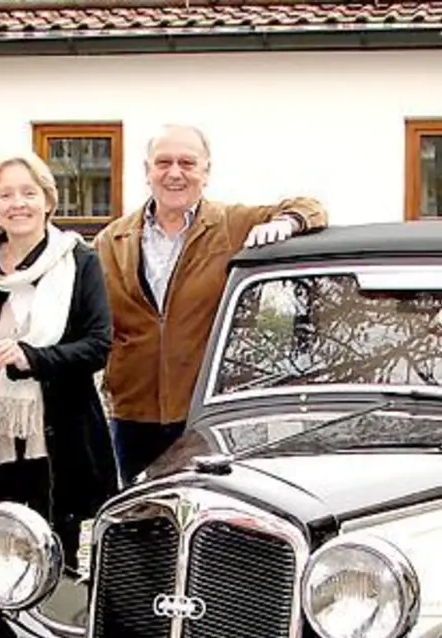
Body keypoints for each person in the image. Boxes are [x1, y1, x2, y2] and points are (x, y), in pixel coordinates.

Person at [95, 124, 327, 482]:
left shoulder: (231, 224)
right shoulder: (113, 239)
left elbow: (311, 207)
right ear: (147, 172)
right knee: (136, 517)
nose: (175, 173)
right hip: (133, 413)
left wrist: (287, 222)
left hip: (205, 410)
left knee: (208, 513)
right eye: (164, 163)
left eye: (187, 163)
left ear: (206, 171)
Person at [0, 153, 117, 568]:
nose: (17, 203)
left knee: (57, 554)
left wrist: (34, 357)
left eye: (28, 192)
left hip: (58, 436)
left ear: (48, 201)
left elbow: (98, 344)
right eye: (5, 194)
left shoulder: (78, 261)